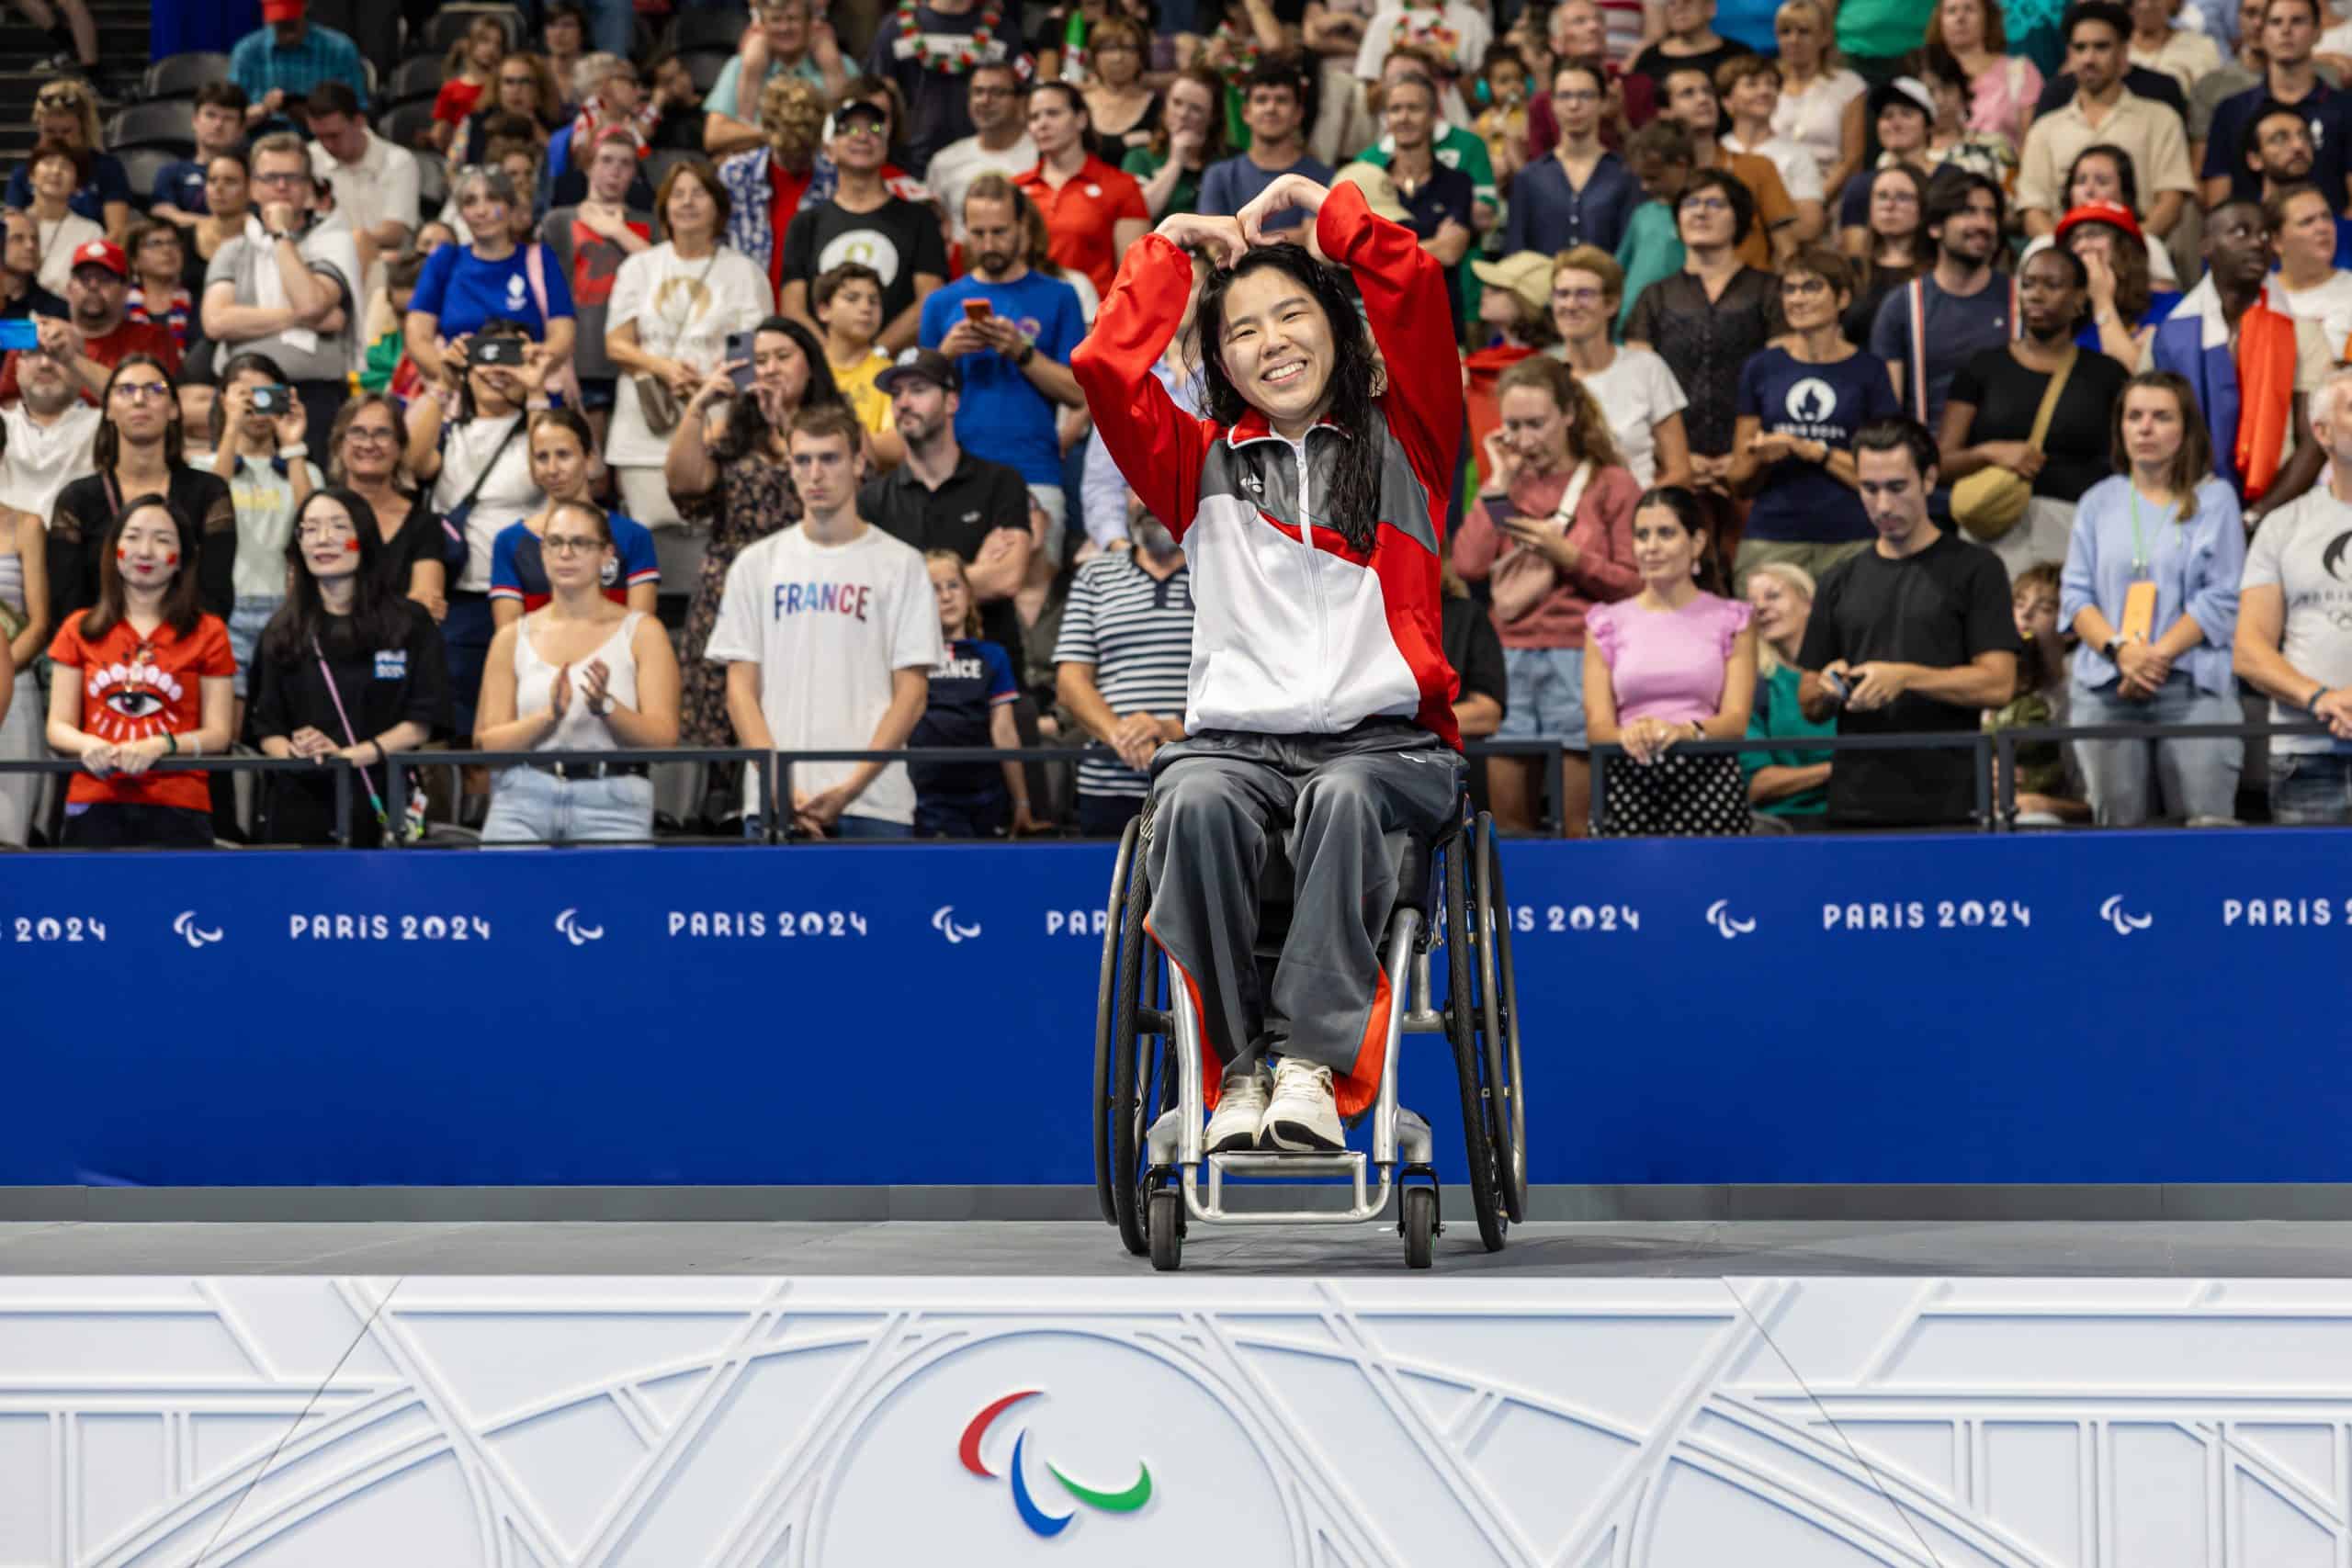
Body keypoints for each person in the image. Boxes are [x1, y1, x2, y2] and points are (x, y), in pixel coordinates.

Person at [1075, 175, 1465, 1152]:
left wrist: (1323, 205)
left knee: (1342, 796)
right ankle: (1233, 1074)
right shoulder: (1191, 464)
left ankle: (1313, 1066)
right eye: (1242, 330)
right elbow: (1103, 366)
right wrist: (1171, 244)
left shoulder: (1409, 439)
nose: (1272, 342)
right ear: (1219, 359)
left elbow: (1415, 286)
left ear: (1336, 326)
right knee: (1192, 802)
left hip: (1387, 748)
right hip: (1235, 749)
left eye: (1292, 314)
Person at [707, 403, 939, 837]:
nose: (815, 473)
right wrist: (778, 783)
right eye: (803, 460)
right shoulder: (755, 564)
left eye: (829, 459)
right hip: (774, 802)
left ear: (858, 464)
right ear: (789, 466)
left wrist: (850, 789)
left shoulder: (902, 564)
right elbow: (740, 691)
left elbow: (912, 696)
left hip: (875, 803)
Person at [1798, 416, 2021, 825]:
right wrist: (1828, 688)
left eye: (1897, 488)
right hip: (1855, 801)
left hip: (1951, 800)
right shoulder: (1838, 578)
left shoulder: (1977, 568)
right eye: (1870, 489)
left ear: (1929, 479)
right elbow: (1808, 697)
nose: (1883, 505)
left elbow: (1998, 683)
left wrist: (1905, 677)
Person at [1451, 355, 1641, 834]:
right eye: (1513, 425)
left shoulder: (1609, 483)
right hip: (1509, 658)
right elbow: (1470, 565)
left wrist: (1569, 557)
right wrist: (1499, 481)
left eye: (1537, 423)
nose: (1526, 438)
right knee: (1508, 827)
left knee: (1580, 825)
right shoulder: (1507, 485)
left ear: (1569, 415)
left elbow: (1634, 583)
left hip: (1582, 657)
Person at [666, 317, 844, 818]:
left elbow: (849, 485)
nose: (769, 369)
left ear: (810, 363)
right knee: (722, 713)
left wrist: (788, 425)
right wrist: (700, 406)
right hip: (730, 587)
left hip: (809, 588)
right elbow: (685, 487)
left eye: (782, 357)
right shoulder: (732, 430)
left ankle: (804, 806)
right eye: (759, 360)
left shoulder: (834, 427)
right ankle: (723, 813)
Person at [2061, 369, 2245, 823]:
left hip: (2192, 687)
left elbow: (2222, 596)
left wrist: (2151, 659)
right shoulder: (2096, 502)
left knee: (2208, 833)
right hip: (2107, 688)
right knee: (2117, 841)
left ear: (2186, 430)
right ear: (2119, 427)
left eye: (2161, 417)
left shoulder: (2215, 500)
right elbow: (2075, 596)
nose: (2145, 428)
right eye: (2134, 416)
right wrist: (2122, 653)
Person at [249, 488, 451, 846]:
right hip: (301, 802)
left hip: (381, 792)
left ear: (364, 537)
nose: (323, 539)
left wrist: (350, 757)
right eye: (309, 529)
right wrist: (298, 753)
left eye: (338, 527)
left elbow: (421, 723)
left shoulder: (409, 622)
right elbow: (267, 730)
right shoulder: (281, 631)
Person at [604, 157, 776, 572]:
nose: (687, 202)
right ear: (664, 208)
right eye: (677, 194)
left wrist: (711, 392)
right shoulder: (639, 268)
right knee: (645, 547)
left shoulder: (743, 272)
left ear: (718, 206)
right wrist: (664, 368)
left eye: (698, 193)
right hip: (645, 428)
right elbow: (617, 344)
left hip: (717, 425)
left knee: (713, 542)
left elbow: (751, 355)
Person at [475, 499, 680, 844]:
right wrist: (548, 717)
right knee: (505, 896)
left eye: (580, 543)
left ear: (606, 555)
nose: (565, 553)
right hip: (522, 800)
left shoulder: (643, 632)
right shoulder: (511, 637)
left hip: (614, 801)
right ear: (543, 554)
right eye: (554, 542)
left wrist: (607, 708)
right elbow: (488, 744)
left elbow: (664, 739)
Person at [43, 494, 237, 847]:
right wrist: (90, 745)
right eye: (132, 537)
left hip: (179, 804)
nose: (145, 551)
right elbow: (57, 727)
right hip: (94, 801)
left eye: (162, 539)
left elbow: (219, 734)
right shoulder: (78, 628)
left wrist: (161, 745)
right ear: (113, 550)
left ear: (182, 558)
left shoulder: (210, 632)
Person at [920, 177, 1088, 555]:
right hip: (953, 473)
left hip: (1034, 471)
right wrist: (946, 355)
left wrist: (1022, 352)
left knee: (1034, 604)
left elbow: (1078, 393)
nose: (988, 244)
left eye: (999, 232)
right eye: (977, 233)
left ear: (1022, 228)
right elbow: (915, 397)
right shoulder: (940, 303)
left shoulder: (1059, 296)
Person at [1940, 246, 2132, 576]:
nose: (2036, 295)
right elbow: (1941, 463)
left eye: (2052, 285)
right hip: (1993, 523)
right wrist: (1989, 453)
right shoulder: (1984, 366)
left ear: (2079, 299)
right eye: (2028, 284)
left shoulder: (2106, 375)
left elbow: (2125, 466)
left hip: (2075, 527)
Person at [1582, 485, 1757, 835]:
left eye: (1666, 533)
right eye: (1642, 535)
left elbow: (1736, 721)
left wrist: (1682, 731)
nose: (1651, 546)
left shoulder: (1733, 618)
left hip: (1709, 781)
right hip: (1627, 779)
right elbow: (1599, 729)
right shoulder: (1604, 622)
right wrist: (1632, 736)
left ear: (1697, 542)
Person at [405, 323, 548, 749]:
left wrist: (536, 391)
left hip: (530, 597)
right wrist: (442, 384)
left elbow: (547, 469)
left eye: (511, 357)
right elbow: (410, 462)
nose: (499, 368)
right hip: (461, 598)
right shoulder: (451, 432)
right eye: (487, 356)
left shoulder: (540, 428)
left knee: (522, 719)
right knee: (457, 725)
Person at [861, 347, 1038, 682]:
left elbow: (1007, 578)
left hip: (991, 681)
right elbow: (873, 598)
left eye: (918, 390)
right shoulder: (872, 500)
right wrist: (971, 575)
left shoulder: (1001, 482)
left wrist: (909, 590)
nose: (903, 403)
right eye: (896, 393)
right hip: (904, 680)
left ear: (952, 402)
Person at [1730, 247, 1902, 589]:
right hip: (1772, 535)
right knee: (1763, 641)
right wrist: (1762, 457)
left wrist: (1811, 450)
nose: (1797, 299)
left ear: (1842, 298)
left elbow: (1882, 474)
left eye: (1811, 288)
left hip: (1850, 536)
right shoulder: (1761, 368)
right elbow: (1738, 479)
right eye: (1790, 289)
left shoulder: (1869, 371)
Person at [2150, 197, 2329, 524]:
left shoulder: (2303, 334)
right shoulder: (2171, 337)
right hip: (2188, 507)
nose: (2257, 245)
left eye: (2263, 236)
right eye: (2241, 233)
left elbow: (2314, 441)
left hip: (2282, 511)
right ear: (2206, 245)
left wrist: (2257, 515)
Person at [2234, 366, 2352, 821]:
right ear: (2321, 432)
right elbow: (2248, 650)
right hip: (2305, 753)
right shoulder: (2283, 525)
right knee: (2311, 893)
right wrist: (2321, 697)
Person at [1624, 170, 1781, 506]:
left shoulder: (1769, 291)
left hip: (1756, 468)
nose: (1700, 212)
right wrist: (1677, 457)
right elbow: (1637, 390)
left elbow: (1781, 380)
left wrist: (1744, 457)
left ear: (1738, 217)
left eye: (1715, 204)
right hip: (1674, 467)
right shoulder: (1654, 297)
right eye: (1691, 203)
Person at [199, 134, 360, 456]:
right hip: (240, 399)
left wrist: (280, 235)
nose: (282, 186)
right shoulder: (233, 251)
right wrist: (307, 320)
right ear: (253, 188)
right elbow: (216, 322)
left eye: (293, 177)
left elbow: (310, 302)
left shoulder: (333, 242)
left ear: (308, 187)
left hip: (314, 397)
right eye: (270, 178)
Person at [50, 356, 235, 626]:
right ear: (109, 410)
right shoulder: (76, 500)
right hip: (95, 650)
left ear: (173, 408)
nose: (139, 399)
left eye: (155, 390)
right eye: (125, 390)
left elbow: (216, 598)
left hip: (186, 649)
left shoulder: (209, 493)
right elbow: (66, 605)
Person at [197, 351, 322, 726]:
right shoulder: (201, 468)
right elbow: (206, 510)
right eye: (245, 394)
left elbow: (314, 527)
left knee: (290, 726)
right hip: (224, 611)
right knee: (227, 731)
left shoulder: (304, 468)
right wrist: (231, 429)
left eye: (268, 393)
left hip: (288, 611)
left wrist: (293, 443)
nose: (256, 403)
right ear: (224, 399)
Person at [775, 100, 947, 355]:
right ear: (828, 150)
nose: (864, 137)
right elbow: (793, 308)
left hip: (898, 372)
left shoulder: (920, 218)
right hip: (828, 375)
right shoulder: (805, 223)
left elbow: (930, 300)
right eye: (849, 130)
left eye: (875, 129)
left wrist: (874, 355)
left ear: (887, 146)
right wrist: (833, 362)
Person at [2016, 1, 2196, 238]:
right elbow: (2033, 210)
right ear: (2070, 54)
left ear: (2123, 53)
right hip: (2063, 258)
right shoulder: (2045, 129)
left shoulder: (2161, 120)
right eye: (2080, 48)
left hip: (2140, 254)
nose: (2089, 58)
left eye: (2101, 47)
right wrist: (2066, 254)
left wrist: (2130, 248)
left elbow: (2171, 202)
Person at [404, 166, 578, 389]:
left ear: (511, 206)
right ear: (461, 213)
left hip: (529, 391)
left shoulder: (539, 259)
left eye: (492, 199)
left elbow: (563, 335)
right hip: (461, 396)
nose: (481, 211)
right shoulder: (445, 260)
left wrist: (536, 362)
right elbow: (418, 336)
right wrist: (453, 376)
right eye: (470, 202)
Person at [910, 549, 1041, 834]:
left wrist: (1021, 802)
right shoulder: (909, 659)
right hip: (925, 796)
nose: (946, 596)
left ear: (969, 594)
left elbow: (1004, 731)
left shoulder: (992, 656)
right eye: (935, 589)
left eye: (954, 585)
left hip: (984, 794)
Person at [1871, 168, 2011, 432]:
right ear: (1935, 227)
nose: (1982, 224)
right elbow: (1888, 411)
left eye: (1990, 214)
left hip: (2008, 459)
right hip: (1929, 457)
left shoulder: (2020, 301)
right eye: (1968, 212)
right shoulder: (1902, 305)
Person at [492, 410, 659, 625]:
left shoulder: (634, 536)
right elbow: (509, 639)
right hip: (536, 657)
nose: (552, 469)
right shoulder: (510, 541)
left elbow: (640, 631)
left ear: (588, 459)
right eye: (542, 457)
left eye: (563, 455)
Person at [540, 130, 653, 443]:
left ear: (634, 172)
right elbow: (551, 297)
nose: (615, 171)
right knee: (590, 459)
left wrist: (617, 231)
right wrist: (561, 362)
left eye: (625, 163)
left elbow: (666, 271)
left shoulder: (650, 224)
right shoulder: (559, 221)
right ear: (589, 165)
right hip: (583, 358)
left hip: (638, 357)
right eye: (606, 161)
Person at [1549, 247, 1690, 490]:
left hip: (1637, 513)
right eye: (1562, 294)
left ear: (1611, 304)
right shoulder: (1544, 374)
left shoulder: (1647, 368)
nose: (1571, 304)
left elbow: (1680, 472)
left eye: (1584, 294)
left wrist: (1633, 511)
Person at [2205, 0, 2352, 206]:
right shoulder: (2231, 110)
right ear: (2262, 33)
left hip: (2331, 234)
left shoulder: (2346, 109)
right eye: (2275, 22)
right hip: (2254, 234)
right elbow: (2217, 202)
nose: (2286, 30)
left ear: (2318, 32)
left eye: (2298, 21)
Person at [1014, 83, 1151, 302]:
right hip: (1027, 315)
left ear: (1081, 119)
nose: (1042, 124)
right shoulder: (1014, 189)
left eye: (1053, 113)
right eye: (1034, 117)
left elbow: (1135, 276)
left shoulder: (1121, 186)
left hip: (1095, 321)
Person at [864, 0, 1034, 175]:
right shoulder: (895, 27)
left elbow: (1024, 98)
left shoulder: (1003, 31)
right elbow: (874, 95)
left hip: (981, 165)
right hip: (907, 164)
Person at [1656, 65, 1800, 267]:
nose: (1703, 99)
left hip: (1751, 291)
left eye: (1708, 91)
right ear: (1665, 113)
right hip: (1678, 291)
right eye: (1688, 93)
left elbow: (1787, 251)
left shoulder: (1758, 167)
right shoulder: (1658, 176)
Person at [1984, 558, 2091, 823]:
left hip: (2050, 821)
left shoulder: (2079, 698)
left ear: (2071, 628)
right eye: (2019, 604)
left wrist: (2045, 804)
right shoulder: (1990, 687)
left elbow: (2098, 804)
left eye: (2044, 608)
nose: (2025, 615)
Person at [1364, 78, 1474, 333]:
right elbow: (1358, 257)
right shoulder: (1368, 183)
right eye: (1395, 109)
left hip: (1441, 322)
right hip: (1382, 324)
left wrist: (1383, 255)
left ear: (1434, 117)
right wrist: (1430, 247)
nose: (1404, 117)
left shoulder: (1457, 182)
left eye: (1414, 108)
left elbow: (1449, 252)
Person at [1504, 62, 1639, 256]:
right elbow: (1515, 253)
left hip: (1609, 285)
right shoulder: (1529, 178)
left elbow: (1631, 253)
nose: (1574, 105)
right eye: (1564, 96)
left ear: (1602, 103)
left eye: (1585, 96)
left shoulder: (1624, 175)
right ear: (1552, 104)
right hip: (1542, 285)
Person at [328, 393, 443, 619]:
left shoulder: (424, 524)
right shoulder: (319, 514)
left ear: (400, 447)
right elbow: (304, 600)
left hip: (400, 650)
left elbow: (427, 606)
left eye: (382, 434)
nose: (369, 444)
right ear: (340, 445)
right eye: (358, 433)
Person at [306, 83, 422, 295]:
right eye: (319, 137)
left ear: (359, 122)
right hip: (327, 263)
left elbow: (394, 232)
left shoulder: (398, 161)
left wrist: (350, 242)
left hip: (388, 264)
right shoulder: (309, 159)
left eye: (334, 135)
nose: (327, 145)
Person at [1741, 560, 1835, 821]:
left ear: (1808, 603)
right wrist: (1833, 771)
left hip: (1856, 814)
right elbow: (1758, 784)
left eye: (1773, 596)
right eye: (1752, 602)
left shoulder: (1843, 672)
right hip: (1783, 823)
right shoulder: (1755, 684)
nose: (1760, 607)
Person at [1199, 58, 1336, 231]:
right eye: (1261, 100)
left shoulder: (1323, 176)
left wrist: (1238, 235)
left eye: (1281, 100)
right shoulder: (1219, 174)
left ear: (1298, 114)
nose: (1271, 108)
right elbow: (1212, 238)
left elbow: (1314, 238)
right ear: (1246, 113)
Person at [705, 0, 853, 158]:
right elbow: (714, 136)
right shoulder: (738, 67)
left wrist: (834, 69)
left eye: (793, 19)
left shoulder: (841, 66)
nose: (784, 28)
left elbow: (858, 129)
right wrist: (777, 135)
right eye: (776, 20)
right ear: (762, 26)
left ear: (810, 24)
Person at [2054, 198, 2179, 365]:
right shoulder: (2067, 322)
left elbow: (2133, 373)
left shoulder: (2170, 307)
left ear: (2126, 249)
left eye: (2093, 234)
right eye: (2074, 239)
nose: (2081, 246)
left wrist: (2102, 299)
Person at [3, 80, 129, 244]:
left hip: (91, 255)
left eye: (66, 131)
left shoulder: (107, 167)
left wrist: (85, 260)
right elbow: (11, 232)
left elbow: (117, 232)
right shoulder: (23, 172)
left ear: (83, 127)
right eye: (50, 131)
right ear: (39, 127)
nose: (58, 138)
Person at [1721, 56, 1829, 243]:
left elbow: (1810, 225)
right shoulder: (1718, 150)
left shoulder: (1798, 154)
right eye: (1751, 84)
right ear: (1727, 101)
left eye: (1771, 84)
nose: (1764, 91)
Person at [931, 63, 1041, 240]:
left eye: (997, 92)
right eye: (978, 92)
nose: (985, 100)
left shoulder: (1042, 155)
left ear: (1021, 101)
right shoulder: (944, 161)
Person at [1771, 0, 1867, 198]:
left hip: (1828, 193)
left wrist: (1816, 200)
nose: (1793, 40)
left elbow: (1852, 159)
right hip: (1774, 193)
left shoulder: (1848, 85)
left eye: (1804, 31)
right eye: (1785, 32)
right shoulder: (1768, 85)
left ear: (1825, 37)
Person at [0, 442, 46, 847]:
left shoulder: (26, 526)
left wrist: (0, 676)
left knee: (10, 829)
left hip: (15, 688)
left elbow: (40, 621)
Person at [230, 0, 369, 128]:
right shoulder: (247, 51)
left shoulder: (339, 49)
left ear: (306, 5)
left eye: (291, 21)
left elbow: (357, 113)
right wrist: (264, 109)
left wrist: (312, 114)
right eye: (280, 22)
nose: (287, 29)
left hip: (324, 141)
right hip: (261, 141)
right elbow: (230, 117)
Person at [1, 344, 96, 527]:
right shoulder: (2, 422)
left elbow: (132, 398)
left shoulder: (105, 424)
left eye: (58, 353)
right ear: (18, 366)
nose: (45, 364)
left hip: (80, 549)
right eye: (34, 353)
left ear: (82, 368)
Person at [1925, 0, 2043, 145]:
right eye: (1951, 11)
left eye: (1969, 9)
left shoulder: (2020, 71)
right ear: (1939, 21)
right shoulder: (1925, 76)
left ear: (1987, 18)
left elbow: (2032, 143)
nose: (1960, 18)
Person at [1831, 77, 1932, 242]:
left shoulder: (1949, 178)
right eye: (1887, 116)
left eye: (1907, 114)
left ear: (1929, 125)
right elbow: (1855, 251)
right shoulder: (1860, 185)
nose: (1895, 123)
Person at [1124, 72, 1223, 224]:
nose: (1183, 114)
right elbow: (1137, 213)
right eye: (1176, 103)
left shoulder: (1227, 163)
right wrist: (1176, 162)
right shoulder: (1140, 157)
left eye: (1196, 109)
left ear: (1212, 117)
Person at [151, 85, 252, 233]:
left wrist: (186, 219)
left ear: (241, 129)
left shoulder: (253, 173)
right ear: (195, 121)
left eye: (228, 118)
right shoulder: (170, 172)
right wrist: (222, 225)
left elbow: (257, 219)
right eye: (211, 115)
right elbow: (164, 217)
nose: (218, 125)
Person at [1842, 164, 1928, 338]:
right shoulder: (1851, 271)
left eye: (1903, 197)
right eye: (1881, 196)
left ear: (1923, 206)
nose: (1889, 205)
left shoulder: (1938, 272)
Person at [2266, 182, 2352, 355]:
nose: (2322, 228)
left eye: (2326, 217)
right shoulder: (2260, 298)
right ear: (2277, 242)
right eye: (2307, 222)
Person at [22, 142, 100, 299]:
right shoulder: (8, 225)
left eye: (65, 167)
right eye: (48, 163)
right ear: (31, 175)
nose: (56, 171)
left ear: (77, 184)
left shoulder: (90, 231)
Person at [1080, 16, 1164, 156]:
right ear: (1095, 56)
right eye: (1109, 48)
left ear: (1141, 57)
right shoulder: (1077, 104)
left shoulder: (1159, 108)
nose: (1118, 57)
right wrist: (1124, 143)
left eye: (1128, 49)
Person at [1632, 0, 1753, 90]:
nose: (1679, 8)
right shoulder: (1649, 59)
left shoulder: (1739, 55)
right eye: (1672, 2)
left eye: (1687, 1)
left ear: (1711, 8)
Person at [434, 14, 509, 152]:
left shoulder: (506, 85)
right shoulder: (451, 89)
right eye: (484, 41)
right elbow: (440, 136)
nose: (492, 49)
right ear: (468, 43)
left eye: (498, 44)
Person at [125, 223, 193, 352]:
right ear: (135, 261)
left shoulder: (199, 303)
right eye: (155, 243)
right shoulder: (120, 307)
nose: (167, 250)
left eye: (173, 243)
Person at [2132, 0, 2225, 94]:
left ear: (2175, 2)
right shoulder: (2119, 47)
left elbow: (2213, 98)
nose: (2146, 5)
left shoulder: (2202, 47)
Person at [191, 156, 254, 288]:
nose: (218, 188)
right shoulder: (182, 237)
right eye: (212, 181)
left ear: (250, 189)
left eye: (230, 181)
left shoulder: (263, 239)